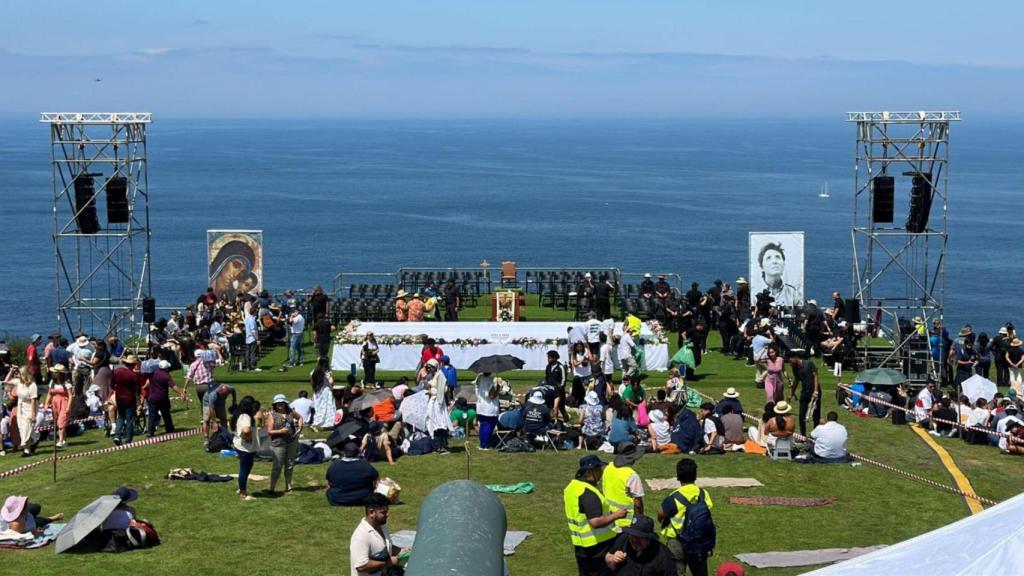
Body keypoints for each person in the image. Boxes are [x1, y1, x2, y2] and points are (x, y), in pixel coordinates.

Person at [564, 455, 626, 576]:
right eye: (598, 469)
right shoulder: (588, 493)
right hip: (597, 546)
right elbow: (595, 522)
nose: (601, 472)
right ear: (588, 472)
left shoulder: (572, 487)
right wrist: (617, 515)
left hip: (581, 545)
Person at [658, 458, 716, 576]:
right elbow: (708, 510)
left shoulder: (674, 497)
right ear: (695, 476)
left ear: (678, 476)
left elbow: (661, 513)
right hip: (699, 539)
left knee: (675, 572)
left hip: (678, 542)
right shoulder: (703, 494)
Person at [349, 493, 404, 576]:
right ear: (371, 512)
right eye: (383, 512)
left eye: (387, 511)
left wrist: (401, 550)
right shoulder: (361, 536)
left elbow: (385, 547)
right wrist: (388, 563)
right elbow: (361, 566)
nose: (387, 514)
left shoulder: (382, 525)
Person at [604, 515, 676, 575]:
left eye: (639, 537)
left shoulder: (664, 556)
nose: (635, 540)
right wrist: (613, 559)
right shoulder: (623, 539)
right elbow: (608, 559)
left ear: (649, 538)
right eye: (633, 535)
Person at [602, 441, 645, 529]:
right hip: (626, 521)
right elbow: (637, 503)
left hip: (610, 518)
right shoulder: (631, 475)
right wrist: (640, 519)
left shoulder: (608, 468)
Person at [267, 394, 303, 495]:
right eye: (278, 403)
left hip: (291, 441)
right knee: (277, 466)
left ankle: (288, 486)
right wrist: (280, 431)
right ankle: (272, 488)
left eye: (282, 403)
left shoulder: (290, 412)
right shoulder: (272, 415)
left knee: (290, 464)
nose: (280, 405)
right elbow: (269, 432)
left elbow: (300, 417)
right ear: (275, 404)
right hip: (278, 443)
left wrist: (300, 428)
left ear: (285, 403)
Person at [327, 442, 380, 506]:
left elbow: (329, 482)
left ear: (344, 452)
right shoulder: (365, 465)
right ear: (358, 453)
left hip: (337, 499)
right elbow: (376, 480)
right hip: (362, 499)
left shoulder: (334, 465)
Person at [232, 396, 263, 501]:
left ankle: (241, 488)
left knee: (244, 469)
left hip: (239, 445)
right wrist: (248, 438)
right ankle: (243, 493)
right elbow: (246, 430)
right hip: (246, 448)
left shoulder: (239, 414)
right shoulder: (246, 417)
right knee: (245, 470)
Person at [4, 366, 38, 455]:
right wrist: (11, 371)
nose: (18, 375)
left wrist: (33, 414)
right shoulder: (19, 382)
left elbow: (33, 400)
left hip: (30, 407)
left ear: (25, 374)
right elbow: (6, 382)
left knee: (27, 427)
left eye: (20, 374)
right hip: (20, 407)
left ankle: (28, 447)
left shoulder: (32, 385)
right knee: (22, 428)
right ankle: (32, 443)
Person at [756, 242, 802, 307]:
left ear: (783, 265)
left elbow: (799, 310)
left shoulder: (793, 293)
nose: (774, 261)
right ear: (761, 266)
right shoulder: (756, 292)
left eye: (778, 257)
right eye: (769, 258)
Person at [144, 360, 183, 436]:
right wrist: (181, 393)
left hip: (152, 398)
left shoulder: (152, 373)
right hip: (163, 398)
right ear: (166, 368)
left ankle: (150, 431)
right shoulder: (166, 375)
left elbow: (148, 382)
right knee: (166, 414)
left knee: (152, 415)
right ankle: (169, 428)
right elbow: (173, 386)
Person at [110, 355, 142, 446]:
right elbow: (138, 390)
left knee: (120, 417)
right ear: (134, 364)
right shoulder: (133, 375)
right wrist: (139, 401)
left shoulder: (116, 371)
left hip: (119, 398)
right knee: (130, 420)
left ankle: (117, 435)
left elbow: (112, 384)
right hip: (130, 399)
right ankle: (128, 439)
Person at [787, 351, 820, 436]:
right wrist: (791, 393)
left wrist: (816, 391)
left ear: (795, 357)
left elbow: (815, 376)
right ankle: (802, 436)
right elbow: (796, 381)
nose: (790, 364)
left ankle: (815, 435)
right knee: (801, 415)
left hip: (815, 392)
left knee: (816, 415)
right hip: (805, 392)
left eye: (790, 361)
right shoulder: (794, 368)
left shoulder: (809, 363)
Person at [43, 364, 72, 448]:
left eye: (56, 372)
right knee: (58, 422)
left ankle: (60, 441)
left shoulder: (66, 383)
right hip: (54, 403)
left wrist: (68, 407)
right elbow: (49, 393)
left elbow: (70, 395)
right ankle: (64, 440)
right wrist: (46, 404)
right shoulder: (52, 382)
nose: (54, 374)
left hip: (64, 403)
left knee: (61, 422)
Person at [474, 372, 500, 449]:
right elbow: (491, 396)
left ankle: (482, 444)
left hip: (480, 405)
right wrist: (498, 389)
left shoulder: (479, 379)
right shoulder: (489, 381)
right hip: (489, 407)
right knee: (489, 426)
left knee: (482, 425)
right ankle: (486, 444)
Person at [310, 357, 336, 430]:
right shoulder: (327, 372)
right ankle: (327, 424)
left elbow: (312, 383)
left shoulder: (313, 371)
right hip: (326, 391)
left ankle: (317, 423)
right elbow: (331, 382)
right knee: (328, 408)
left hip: (317, 391)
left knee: (319, 408)